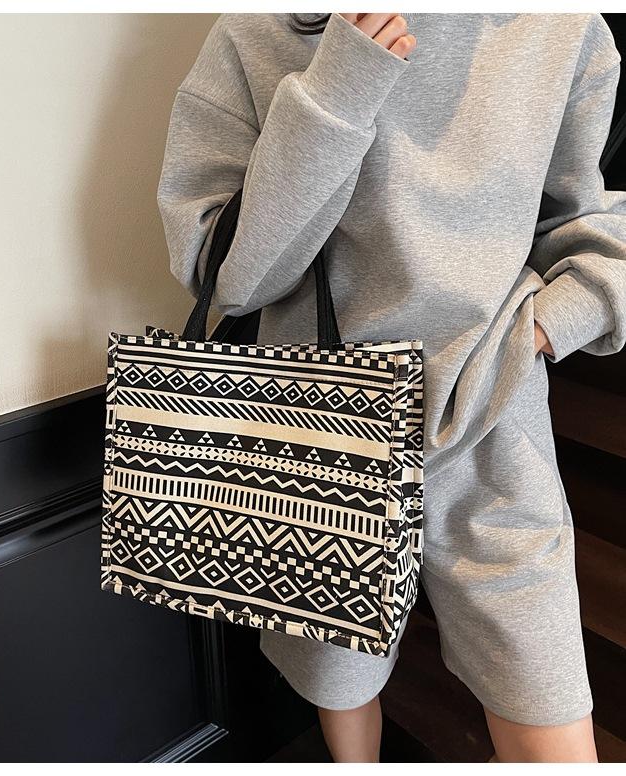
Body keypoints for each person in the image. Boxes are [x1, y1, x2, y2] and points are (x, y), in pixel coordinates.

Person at [155, 12, 626, 763]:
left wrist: (550, 325)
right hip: (320, 421)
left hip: (493, 413)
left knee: (545, 691)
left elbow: (585, 214)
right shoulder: (258, 31)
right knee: (338, 680)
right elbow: (232, 276)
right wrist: (341, 84)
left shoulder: (561, 25)